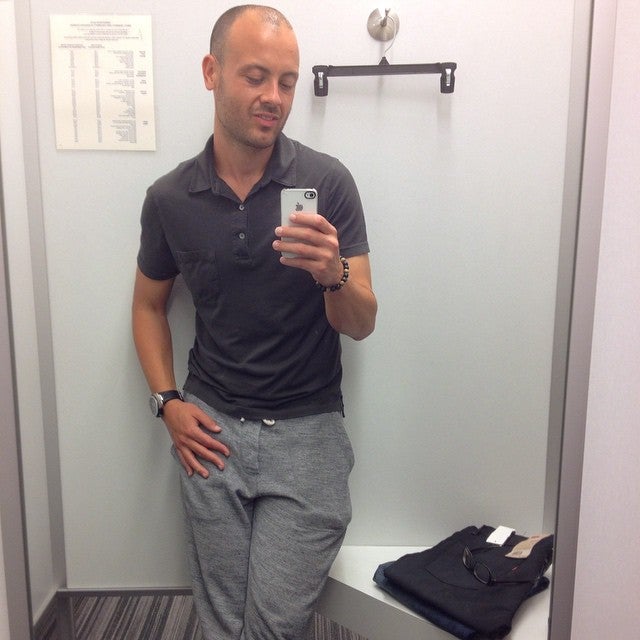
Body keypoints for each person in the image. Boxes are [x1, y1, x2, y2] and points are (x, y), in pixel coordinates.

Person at [131, 5, 377, 639]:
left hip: (309, 432)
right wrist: (167, 403)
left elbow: (362, 322)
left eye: (287, 82)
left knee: (272, 624)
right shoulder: (169, 199)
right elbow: (148, 306)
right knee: (220, 620)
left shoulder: (327, 182)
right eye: (256, 76)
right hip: (212, 430)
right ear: (211, 72)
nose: (274, 97)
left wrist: (333, 274)